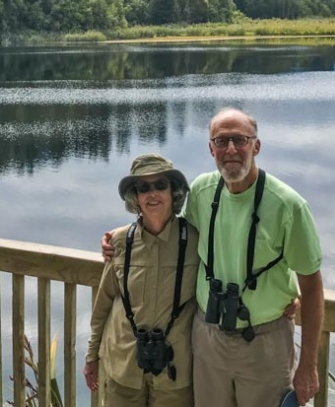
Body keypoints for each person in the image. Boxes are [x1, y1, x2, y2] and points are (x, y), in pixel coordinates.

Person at [102, 107, 323, 407]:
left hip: (264, 342)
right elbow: (166, 226)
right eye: (221, 141)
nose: (231, 149)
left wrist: (308, 364)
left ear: (256, 146)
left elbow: (312, 286)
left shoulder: (288, 206)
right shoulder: (202, 192)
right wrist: (120, 237)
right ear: (210, 148)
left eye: (240, 140)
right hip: (208, 337)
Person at [83, 153, 199, 406]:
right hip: (123, 366)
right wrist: (92, 355)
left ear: (174, 191)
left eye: (160, 185)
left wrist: (287, 297)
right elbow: (103, 303)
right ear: (134, 197)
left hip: (175, 371)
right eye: (143, 187)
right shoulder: (119, 242)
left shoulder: (195, 241)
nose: (152, 193)